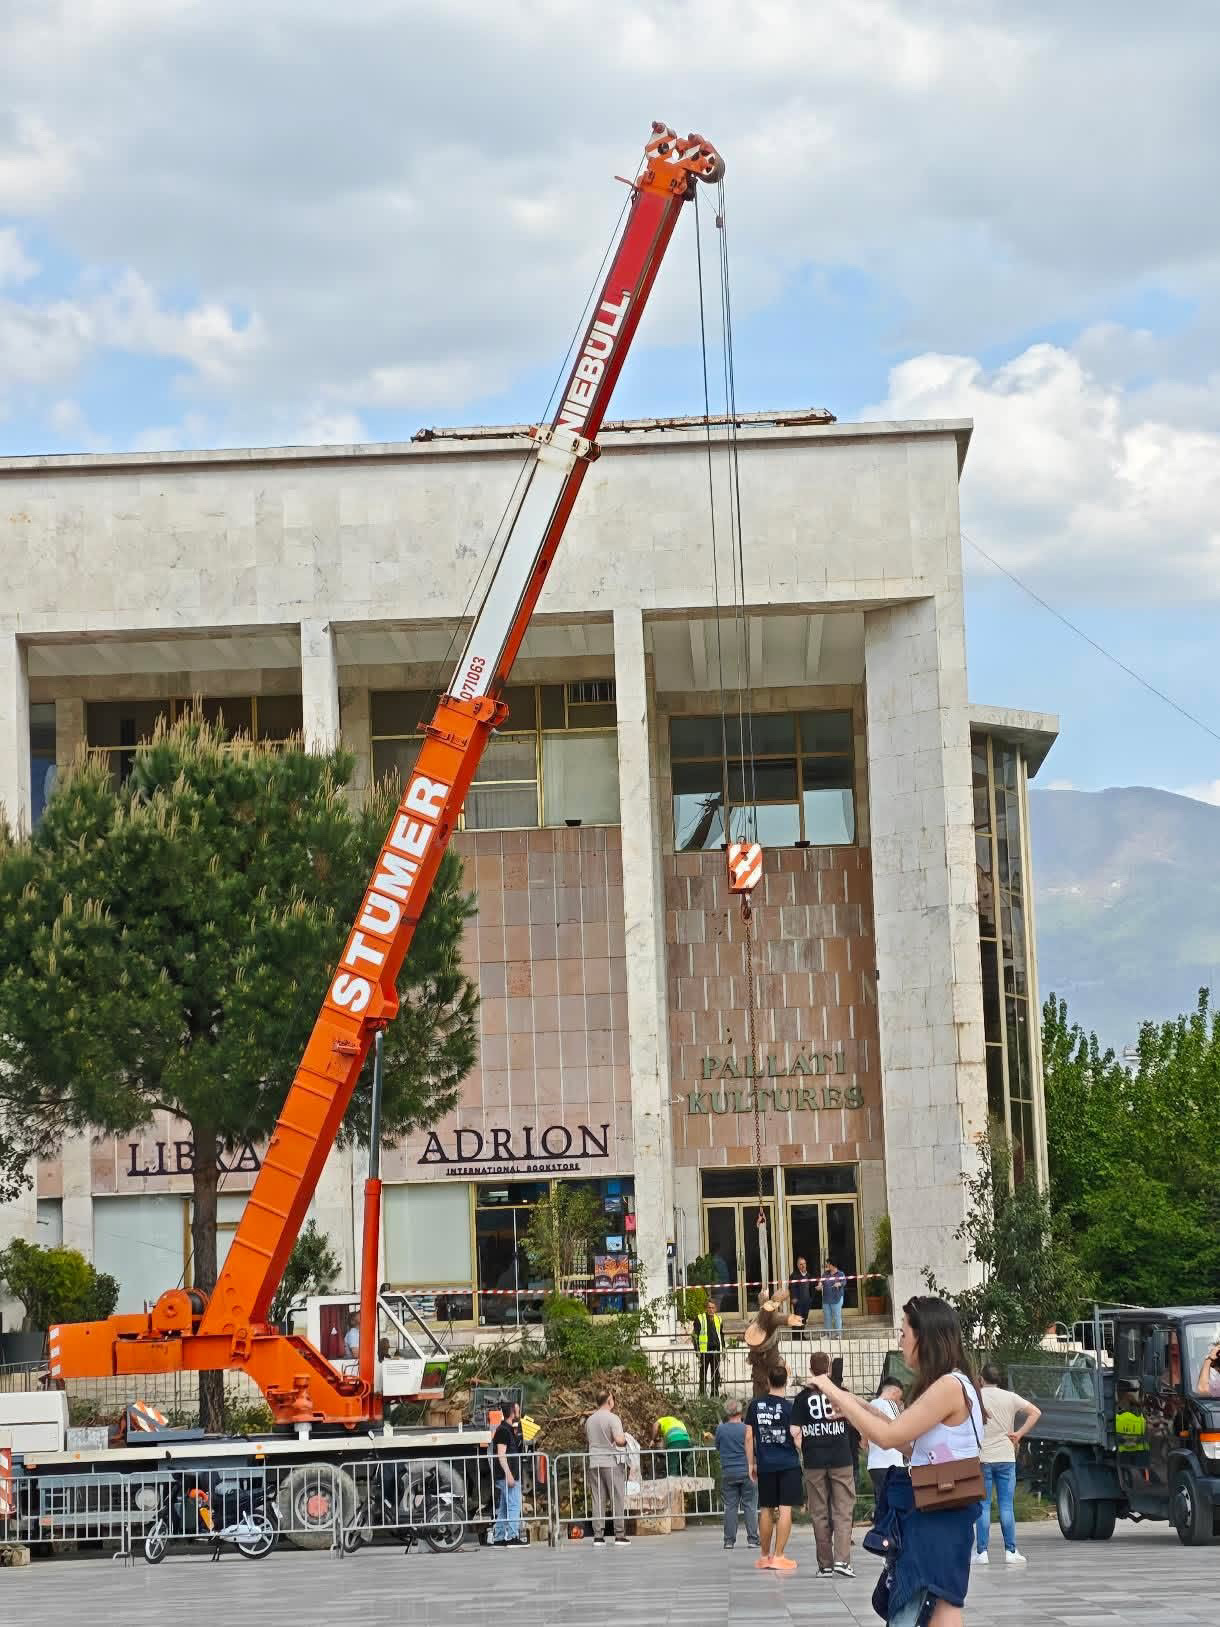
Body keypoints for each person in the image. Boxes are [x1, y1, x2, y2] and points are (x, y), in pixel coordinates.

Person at [808, 1295, 985, 1627]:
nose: (899, 1340)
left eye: (904, 1331)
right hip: (942, 1511)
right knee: (941, 1602)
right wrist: (851, 1404)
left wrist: (833, 1391)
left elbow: (890, 1437)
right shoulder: (952, 1382)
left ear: (925, 1336)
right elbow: (905, 1442)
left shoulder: (948, 1385)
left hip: (938, 1514)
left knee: (931, 1602)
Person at [791, 1352, 856, 1578]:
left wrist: (805, 1447)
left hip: (814, 1460)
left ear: (810, 1370)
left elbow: (794, 1431)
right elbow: (855, 1420)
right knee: (843, 1510)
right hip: (841, 1457)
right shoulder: (841, 1393)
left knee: (819, 1512)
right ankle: (843, 1560)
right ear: (828, 1369)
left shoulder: (801, 1399)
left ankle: (825, 1565)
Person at [973, 1363, 1039, 1566]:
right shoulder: (1010, 1397)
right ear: (998, 1379)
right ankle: (1011, 1551)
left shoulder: (975, 1397)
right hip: (1006, 1457)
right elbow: (1035, 1412)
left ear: (981, 1379)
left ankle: (982, 1553)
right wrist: (1019, 1434)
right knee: (1006, 1506)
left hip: (982, 1457)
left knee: (983, 1506)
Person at [745, 1363, 803, 1573]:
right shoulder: (791, 1408)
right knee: (785, 1509)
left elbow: (749, 1435)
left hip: (766, 1464)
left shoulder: (755, 1406)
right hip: (788, 1463)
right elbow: (797, 1437)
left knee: (766, 1508)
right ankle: (779, 1556)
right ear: (785, 1382)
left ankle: (764, 1556)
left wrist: (751, 1463)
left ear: (768, 1381)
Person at [585, 1387, 630, 1546]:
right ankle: (619, 1534)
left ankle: (598, 1535)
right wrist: (626, 1440)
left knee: (598, 1499)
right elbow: (618, 1440)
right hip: (610, 1462)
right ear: (609, 1401)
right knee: (617, 1497)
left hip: (594, 1462)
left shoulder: (589, 1420)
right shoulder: (613, 1418)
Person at [715, 1398, 759, 1550]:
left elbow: (718, 1447)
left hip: (729, 1472)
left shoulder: (721, 1429)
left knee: (730, 1507)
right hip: (746, 1472)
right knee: (750, 1506)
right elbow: (753, 1449)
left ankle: (729, 1541)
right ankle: (753, 1539)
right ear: (740, 1412)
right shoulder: (747, 1429)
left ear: (727, 1413)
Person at [491, 1398, 526, 1546]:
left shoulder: (508, 1429)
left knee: (505, 1508)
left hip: (507, 1474)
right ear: (512, 1412)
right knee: (513, 1505)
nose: (518, 1411)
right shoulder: (504, 1430)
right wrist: (509, 1474)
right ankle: (512, 1536)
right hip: (508, 1475)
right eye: (516, 1409)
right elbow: (501, 1454)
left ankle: (499, 1536)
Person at [867, 1377, 906, 1503]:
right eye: (899, 1397)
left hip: (874, 1464)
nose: (899, 1401)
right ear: (895, 1392)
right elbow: (901, 1428)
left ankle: (880, 1522)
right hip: (891, 1463)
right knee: (895, 1502)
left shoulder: (870, 1405)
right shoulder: (890, 1404)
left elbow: (863, 1439)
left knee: (881, 1502)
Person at [693, 1296, 724, 1396]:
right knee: (703, 1374)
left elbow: (721, 1335)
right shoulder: (700, 1318)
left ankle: (714, 1394)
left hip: (715, 1351)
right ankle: (702, 1394)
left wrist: (723, 1348)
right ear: (706, 1308)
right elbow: (695, 1336)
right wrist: (697, 1351)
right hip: (704, 1351)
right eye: (709, 1307)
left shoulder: (718, 1319)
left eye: (713, 1308)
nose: (711, 1310)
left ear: (716, 1309)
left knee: (715, 1374)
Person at [652, 1412, 694, 1477]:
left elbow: (655, 1425)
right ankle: (684, 1478)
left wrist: (653, 1439)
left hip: (675, 1440)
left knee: (672, 1463)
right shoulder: (679, 1422)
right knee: (681, 1464)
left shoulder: (662, 1420)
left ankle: (671, 1478)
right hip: (686, 1442)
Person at [819, 1259, 847, 1336]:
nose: (827, 1265)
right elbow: (821, 1281)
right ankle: (827, 1335)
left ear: (833, 1265)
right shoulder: (825, 1274)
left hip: (836, 1299)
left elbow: (844, 1282)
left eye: (828, 1264)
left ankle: (838, 1335)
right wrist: (819, 1285)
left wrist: (839, 1284)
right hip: (826, 1299)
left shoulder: (840, 1274)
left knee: (837, 1317)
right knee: (827, 1318)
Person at [789, 1257, 812, 1327]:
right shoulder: (794, 1275)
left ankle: (802, 1336)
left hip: (807, 1301)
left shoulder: (809, 1275)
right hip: (798, 1301)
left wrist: (810, 1299)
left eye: (804, 1263)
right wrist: (793, 1298)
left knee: (804, 1319)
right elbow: (791, 1287)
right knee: (797, 1319)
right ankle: (796, 1337)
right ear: (798, 1265)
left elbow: (811, 1287)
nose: (803, 1266)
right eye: (801, 1264)